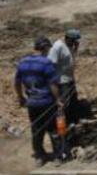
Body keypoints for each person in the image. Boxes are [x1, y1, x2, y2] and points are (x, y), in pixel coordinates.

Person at [15, 37, 63, 167]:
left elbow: (17, 82)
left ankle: (39, 157)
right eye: (48, 48)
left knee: (36, 130)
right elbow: (53, 84)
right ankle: (58, 156)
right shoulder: (46, 63)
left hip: (32, 104)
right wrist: (58, 100)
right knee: (53, 130)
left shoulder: (23, 63)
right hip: (47, 103)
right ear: (45, 48)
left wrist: (21, 98)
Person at [49, 29, 81, 126]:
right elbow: (51, 64)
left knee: (73, 102)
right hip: (62, 82)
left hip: (70, 79)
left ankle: (73, 122)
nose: (75, 42)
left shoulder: (70, 46)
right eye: (74, 40)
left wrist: (76, 49)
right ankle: (63, 126)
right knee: (64, 105)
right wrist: (54, 82)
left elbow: (71, 58)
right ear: (68, 38)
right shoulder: (58, 47)